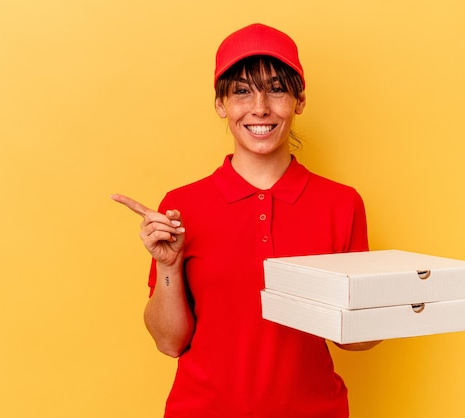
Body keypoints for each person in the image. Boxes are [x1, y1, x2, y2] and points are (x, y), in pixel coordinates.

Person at [112, 23, 380, 418]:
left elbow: (355, 342)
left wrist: (399, 302)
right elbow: (169, 343)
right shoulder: (181, 205)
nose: (260, 107)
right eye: (241, 90)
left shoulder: (341, 203)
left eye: (276, 88)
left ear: (299, 100)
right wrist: (168, 265)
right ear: (221, 104)